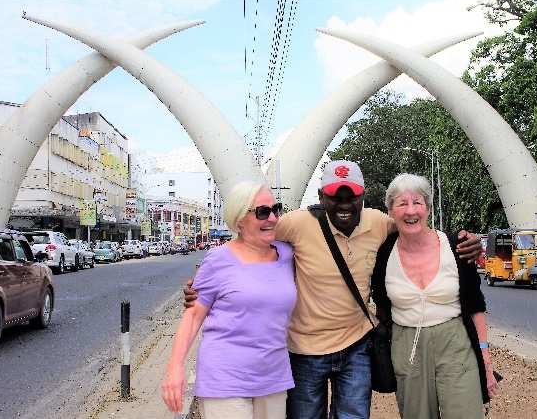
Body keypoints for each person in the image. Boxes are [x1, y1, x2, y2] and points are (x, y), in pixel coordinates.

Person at [185, 160, 481, 419]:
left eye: (351, 196)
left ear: (363, 197)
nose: (343, 204)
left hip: (356, 347)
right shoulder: (296, 223)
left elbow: (417, 227)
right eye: (334, 196)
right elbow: (251, 235)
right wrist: (206, 281)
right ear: (320, 197)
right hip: (304, 349)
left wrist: (462, 240)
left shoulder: (379, 222)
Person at [162, 181, 297, 419]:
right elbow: (193, 316)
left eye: (276, 209)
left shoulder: (287, 254)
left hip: (274, 379)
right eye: (262, 212)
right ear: (239, 220)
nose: (273, 218)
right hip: (225, 380)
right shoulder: (218, 260)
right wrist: (174, 368)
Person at [371, 173, 498, 419]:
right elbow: (380, 301)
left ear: (428, 208)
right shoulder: (383, 253)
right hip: (407, 345)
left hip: (454, 342)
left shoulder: (456, 245)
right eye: (402, 204)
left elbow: (475, 304)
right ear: (390, 211)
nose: (410, 211)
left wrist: (485, 358)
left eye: (417, 202)